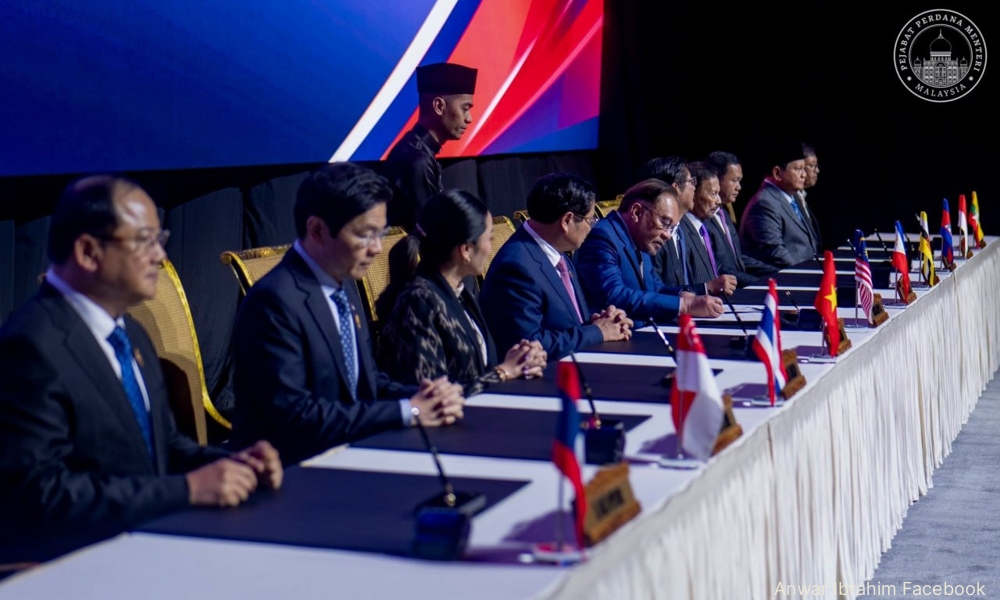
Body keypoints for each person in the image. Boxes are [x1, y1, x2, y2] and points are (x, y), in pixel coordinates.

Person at [0, 176, 282, 564]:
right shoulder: (30, 346)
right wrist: (188, 490)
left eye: (159, 239)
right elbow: (38, 497)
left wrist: (231, 462)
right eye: (145, 241)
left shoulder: (129, 330)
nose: (160, 256)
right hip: (70, 564)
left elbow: (164, 446)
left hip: (145, 539)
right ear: (88, 252)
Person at [231, 163, 465, 465]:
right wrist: (409, 411)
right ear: (317, 230)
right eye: (366, 235)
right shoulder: (274, 302)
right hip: (292, 470)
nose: (377, 248)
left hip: (350, 451)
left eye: (381, 234)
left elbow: (365, 382)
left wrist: (421, 395)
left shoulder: (342, 284)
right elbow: (295, 416)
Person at [377, 190, 547, 396]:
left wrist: (517, 361)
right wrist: (502, 372)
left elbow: (472, 369)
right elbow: (431, 394)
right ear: (466, 249)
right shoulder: (418, 301)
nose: (491, 247)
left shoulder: (460, 292)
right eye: (489, 238)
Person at [480, 173, 633, 360]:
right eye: (590, 220)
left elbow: (565, 323)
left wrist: (601, 323)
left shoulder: (557, 251)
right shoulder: (516, 268)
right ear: (567, 220)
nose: (592, 227)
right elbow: (529, 346)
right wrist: (597, 332)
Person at [575, 179, 724, 324]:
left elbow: (655, 289)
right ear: (637, 212)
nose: (667, 235)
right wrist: (685, 305)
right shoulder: (602, 237)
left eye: (671, 227)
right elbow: (614, 296)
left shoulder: (641, 238)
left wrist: (682, 295)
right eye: (664, 223)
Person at [384, 62, 478, 231]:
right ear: (439, 106)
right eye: (465, 109)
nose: (469, 118)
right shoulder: (417, 159)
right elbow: (430, 232)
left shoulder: (417, 151)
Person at [738, 142, 817, 271]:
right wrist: (805, 273)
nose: (804, 175)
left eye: (804, 169)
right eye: (798, 169)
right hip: (788, 277)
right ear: (777, 173)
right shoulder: (764, 203)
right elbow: (776, 253)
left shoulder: (793, 196)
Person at [704, 151, 767, 284]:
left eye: (739, 180)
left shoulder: (724, 214)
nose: (739, 187)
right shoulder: (703, 219)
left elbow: (738, 259)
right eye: (734, 180)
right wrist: (756, 282)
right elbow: (717, 266)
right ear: (716, 179)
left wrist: (775, 272)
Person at [678, 162, 737, 295]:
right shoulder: (681, 232)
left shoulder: (703, 228)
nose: (719, 201)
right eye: (713, 194)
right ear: (693, 193)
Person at [797, 143, 823, 252]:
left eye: (816, 165)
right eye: (812, 165)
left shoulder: (801, 197)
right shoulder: (789, 200)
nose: (817, 170)